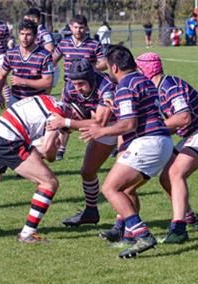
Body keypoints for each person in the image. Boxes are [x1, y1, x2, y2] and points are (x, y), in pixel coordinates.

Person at [79, 45, 173, 258]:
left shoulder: (125, 85)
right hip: (162, 142)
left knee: (110, 188)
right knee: (127, 189)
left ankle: (142, 235)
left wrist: (100, 130)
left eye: (107, 67)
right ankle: (129, 235)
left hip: (148, 142)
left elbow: (129, 124)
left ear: (114, 67)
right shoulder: (144, 81)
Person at [136, 52, 198, 243]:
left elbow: (184, 118)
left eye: (138, 68)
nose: (136, 72)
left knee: (175, 173)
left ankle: (178, 229)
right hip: (193, 134)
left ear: (147, 69)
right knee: (165, 178)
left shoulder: (170, 85)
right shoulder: (155, 89)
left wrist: (152, 129)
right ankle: (189, 217)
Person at [0, 95, 88, 243]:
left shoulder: (51, 100)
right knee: (49, 183)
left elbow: (36, 146)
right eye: (73, 125)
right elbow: (48, 150)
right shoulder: (58, 114)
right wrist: (54, 149)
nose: (70, 130)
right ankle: (27, 233)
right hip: (8, 140)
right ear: (73, 113)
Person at [46, 59, 116, 227]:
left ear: (91, 79)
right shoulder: (70, 87)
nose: (77, 88)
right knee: (87, 171)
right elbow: (61, 110)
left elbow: (101, 122)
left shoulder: (106, 86)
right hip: (103, 127)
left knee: (121, 184)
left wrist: (68, 123)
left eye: (81, 84)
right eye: (74, 83)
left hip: (123, 126)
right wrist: (54, 134)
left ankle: (125, 225)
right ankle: (91, 212)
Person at [52, 15, 106, 161]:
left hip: (92, 89)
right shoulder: (63, 44)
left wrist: (89, 69)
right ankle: (61, 150)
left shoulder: (94, 44)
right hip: (70, 89)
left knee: (97, 117)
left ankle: (102, 145)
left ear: (86, 28)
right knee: (66, 115)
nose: (78, 30)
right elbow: (53, 60)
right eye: (76, 27)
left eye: (81, 27)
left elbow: (104, 63)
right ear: (70, 27)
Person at [0, 20, 54, 108]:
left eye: (28, 34)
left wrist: (24, 82)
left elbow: (48, 83)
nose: (24, 38)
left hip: (37, 101)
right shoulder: (11, 53)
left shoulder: (44, 56)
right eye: (22, 34)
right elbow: (2, 75)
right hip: (15, 100)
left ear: (35, 36)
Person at [23, 8, 58, 94]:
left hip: (44, 70)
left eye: (28, 19)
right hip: (35, 68)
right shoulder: (33, 33)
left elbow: (50, 51)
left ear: (35, 19)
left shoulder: (44, 34)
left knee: (43, 97)